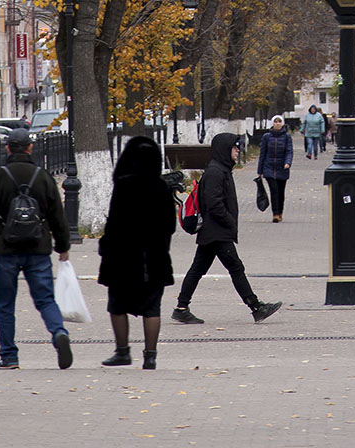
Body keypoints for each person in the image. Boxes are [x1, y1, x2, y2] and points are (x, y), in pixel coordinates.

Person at [0, 128, 73, 369]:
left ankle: (9, 356)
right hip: (38, 247)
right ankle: (59, 332)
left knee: (4, 304)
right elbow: (57, 215)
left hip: (6, 250)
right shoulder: (42, 176)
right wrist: (62, 245)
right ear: (30, 148)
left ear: (8, 148)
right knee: (45, 299)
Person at [171, 133, 282, 325]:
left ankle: (181, 308)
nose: (238, 150)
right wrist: (229, 220)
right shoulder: (215, 172)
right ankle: (256, 307)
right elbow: (213, 203)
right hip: (217, 231)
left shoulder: (221, 170)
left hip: (215, 230)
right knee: (235, 267)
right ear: (225, 149)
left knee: (198, 269)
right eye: (235, 147)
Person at [97, 136, 175, 370]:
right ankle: (150, 356)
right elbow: (170, 224)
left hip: (123, 257)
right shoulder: (161, 186)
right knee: (152, 307)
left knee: (117, 304)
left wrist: (106, 247)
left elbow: (113, 223)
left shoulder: (123, 185)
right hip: (154, 255)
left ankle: (122, 352)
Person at [257, 115, 293, 223]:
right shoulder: (266, 137)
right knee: (274, 190)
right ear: (272, 123)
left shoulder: (287, 137)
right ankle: (275, 214)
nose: (277, 124)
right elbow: (262, 153)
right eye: (275, 122)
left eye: (279, 122)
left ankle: (280, 212)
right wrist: (260, 170)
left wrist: (288, 162)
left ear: (282, 123)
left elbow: (289, 151)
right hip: (269, 167)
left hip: (282, 167)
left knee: (281, 192)